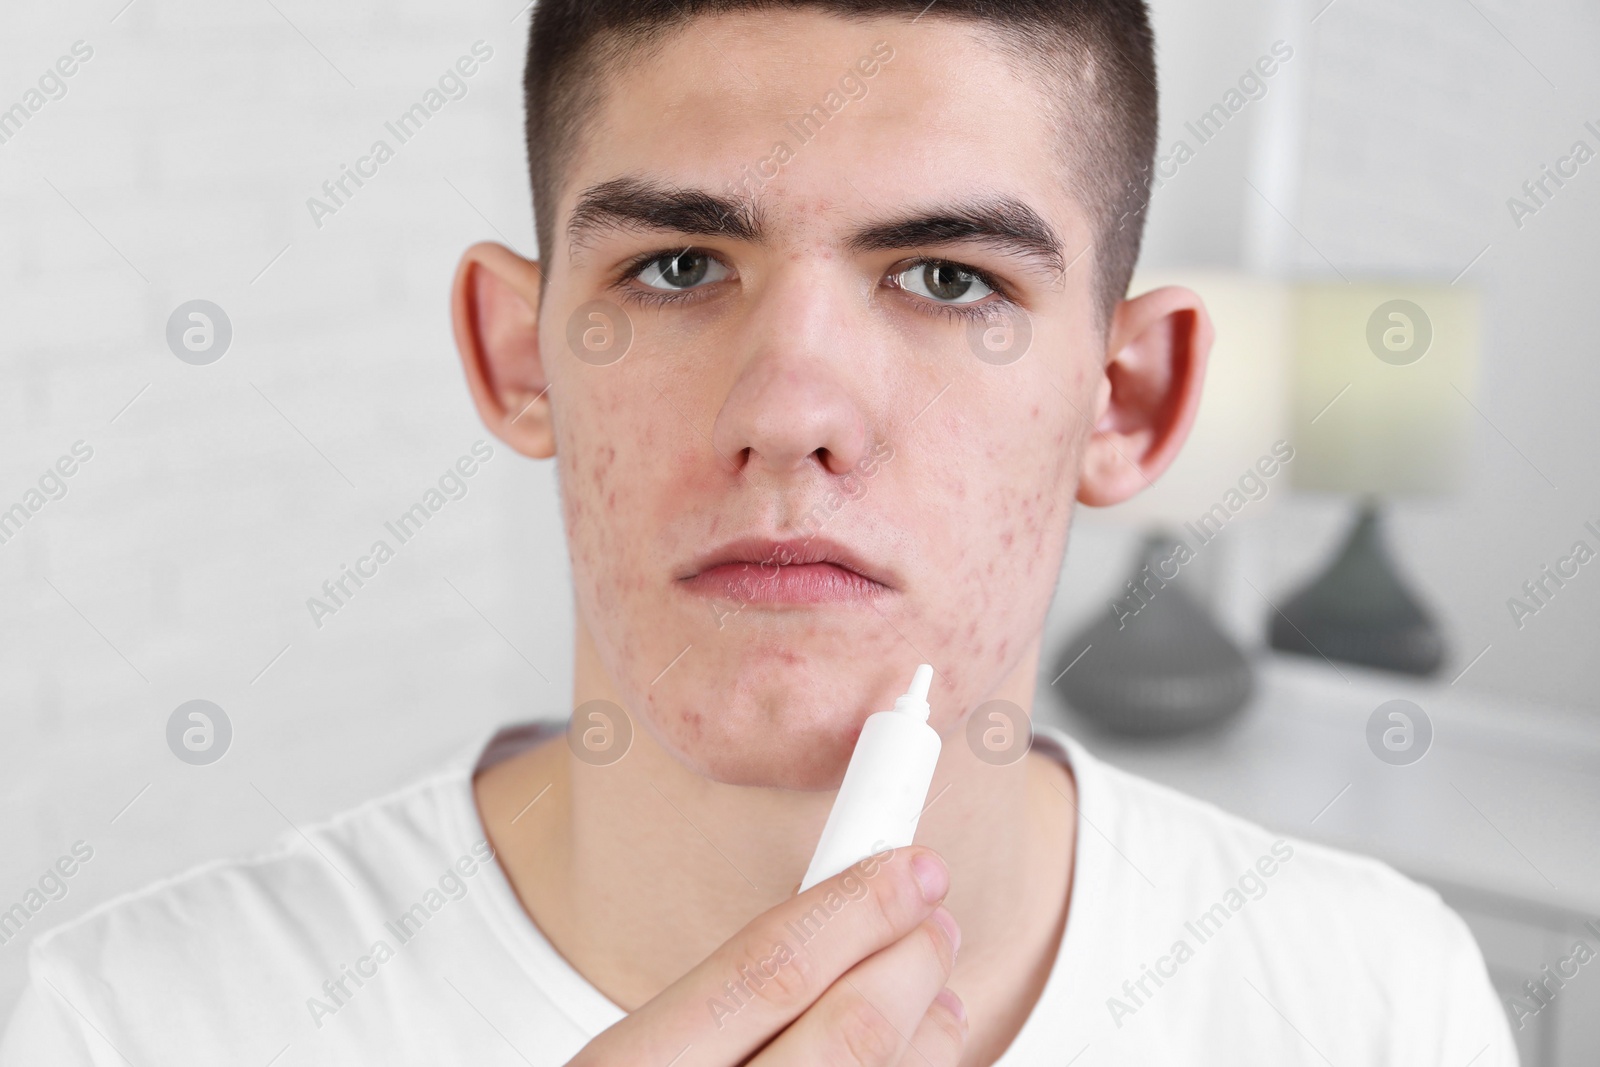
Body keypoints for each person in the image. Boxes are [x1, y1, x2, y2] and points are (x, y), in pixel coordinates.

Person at [1, 1, 1516, 1063]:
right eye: (673, 268)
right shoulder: (133, 1024)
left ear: (1128, 401)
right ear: (520, 357)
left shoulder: (1377, 1000)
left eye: (944, 280)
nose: (791, 409)